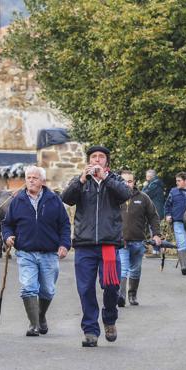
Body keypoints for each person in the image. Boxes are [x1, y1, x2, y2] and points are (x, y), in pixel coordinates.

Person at [61, 145, 131, 347]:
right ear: (89, 161)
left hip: (109, 243)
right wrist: (81, 180)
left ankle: (109, 319)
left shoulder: (114, 180)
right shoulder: (81, 182)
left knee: (111, 286)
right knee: (85, 289)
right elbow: (66, 198)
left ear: (106, 162)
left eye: (101, 157)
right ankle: (90, 330)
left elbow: (125, 194)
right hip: (85, 243)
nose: (97, 160)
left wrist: (105, 178)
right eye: (94, 157)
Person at [2, 166, 71, 337]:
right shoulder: (18, 201)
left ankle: (40, 316)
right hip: (26, 252)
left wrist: (64, 244)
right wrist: (8, 236)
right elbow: (7, 223)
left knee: (47, 290)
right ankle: (33, 325)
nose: (31, 180)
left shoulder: (54, 200)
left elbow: (64, 225)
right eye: (28, 177)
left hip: (49, 253)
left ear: (42, 181)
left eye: (34, 177)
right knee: (28, 287)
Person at [118, 170, 162, 307]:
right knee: (123, 268)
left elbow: (153, 216)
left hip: (138, 241)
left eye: (130, 181)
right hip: (121, 242)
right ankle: (121, 296)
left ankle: (132, 295)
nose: (126, 184)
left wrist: (156, 234)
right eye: (123, 181)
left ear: (134, 182)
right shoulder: (113, 197)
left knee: (135, 270)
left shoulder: (143, 198)